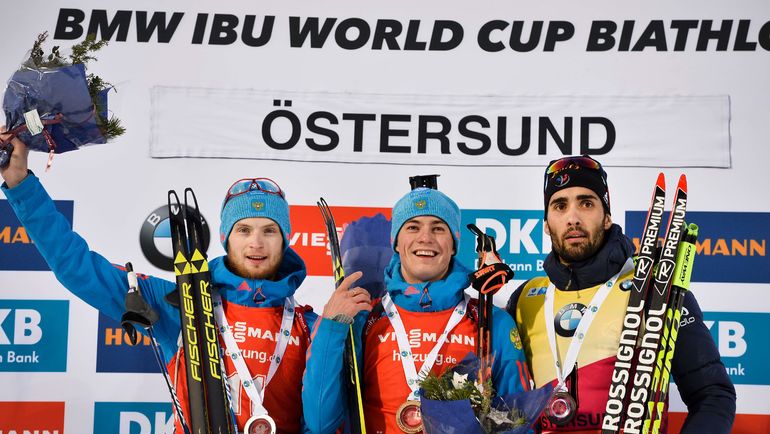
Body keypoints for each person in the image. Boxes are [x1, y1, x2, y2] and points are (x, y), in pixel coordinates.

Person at [0, 131, 317, 433]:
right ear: (226, 238)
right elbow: (76, 267)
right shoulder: (182, 303)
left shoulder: (310, 326)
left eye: (269, 231)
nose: (256, 244)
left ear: (285, 239)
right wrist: (19, 182)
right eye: (244, 230)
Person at [506, 155, 736, 433]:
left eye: (587, 203)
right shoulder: (526, 298)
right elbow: (501, 398)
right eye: (560, 206)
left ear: (606, 217)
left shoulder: (654, 287)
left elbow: (713, 395)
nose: (573, 217)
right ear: (546, 223)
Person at [303, 179, 530, 433]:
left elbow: (517, 422)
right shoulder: (362, 318)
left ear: (454, 244)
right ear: (396, 243)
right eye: (412, 227)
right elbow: (321, 422)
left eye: (438, 228)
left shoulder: (489, 321)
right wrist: (332, 329)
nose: (425, 238)